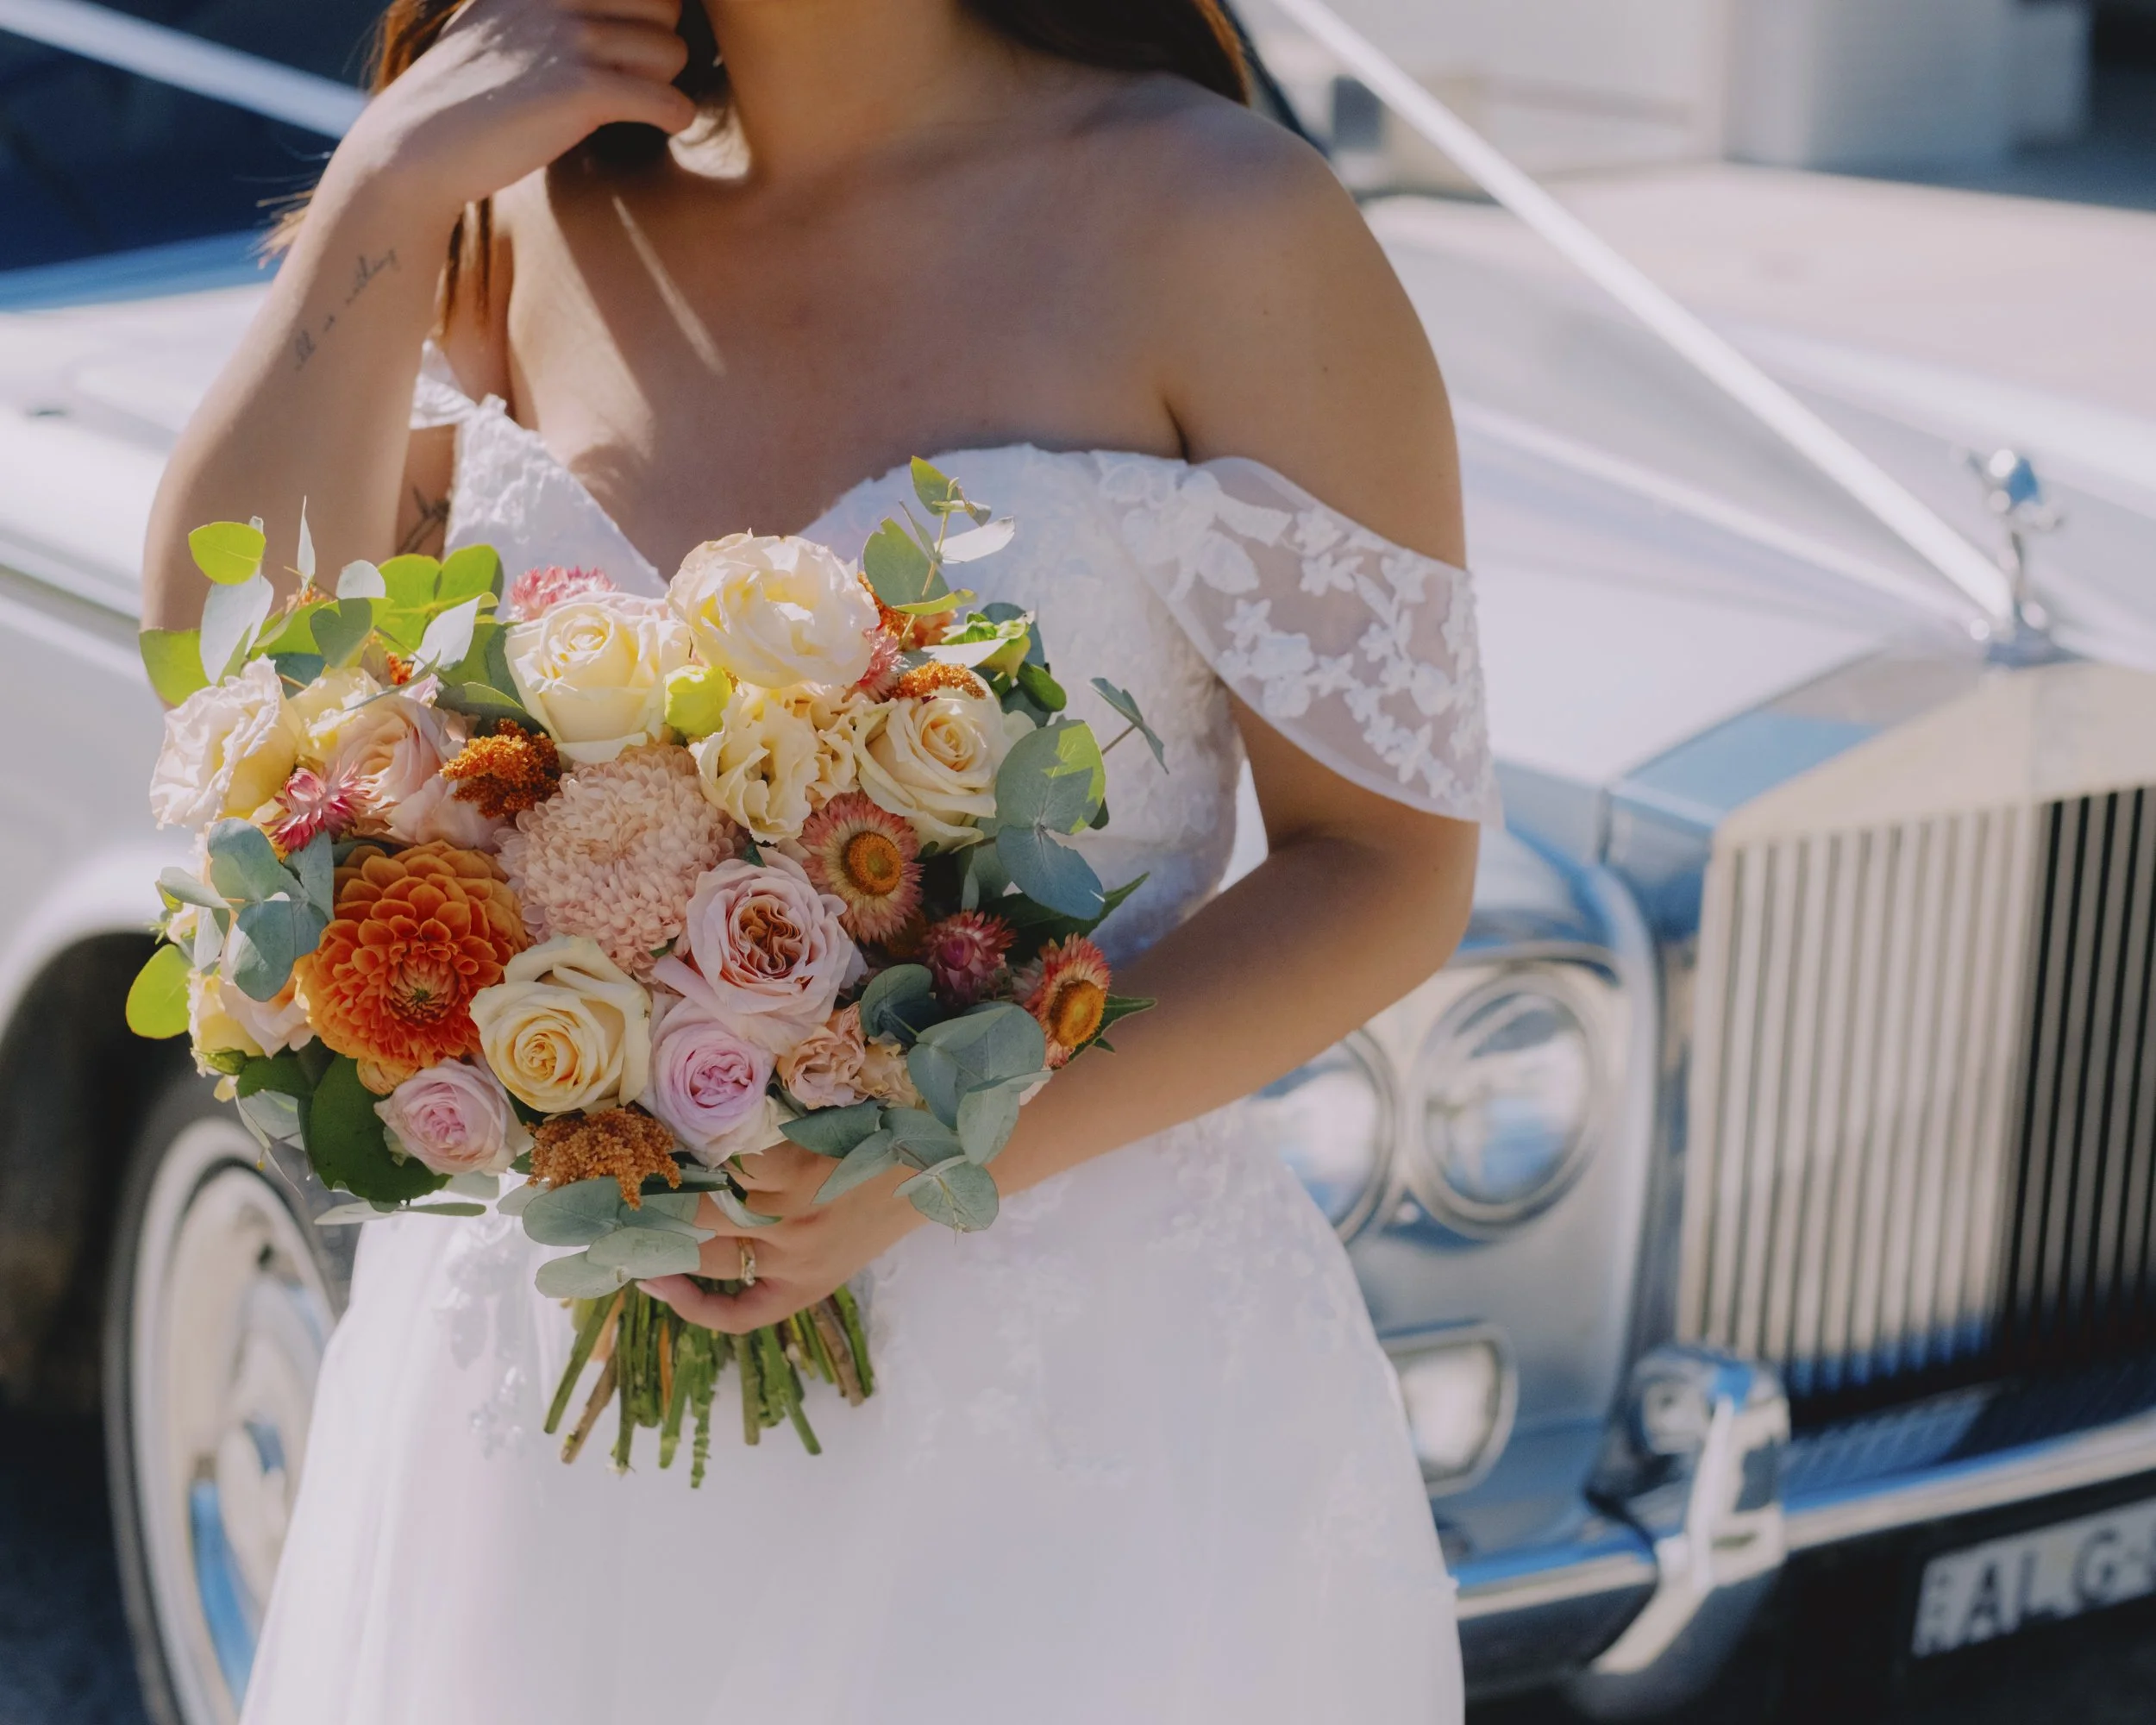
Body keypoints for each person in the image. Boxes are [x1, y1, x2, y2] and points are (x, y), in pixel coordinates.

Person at [144, 3, 1495, 1719]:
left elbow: (1383, 861)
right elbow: (225, 665)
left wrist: (959, 1141)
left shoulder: (1219, 219)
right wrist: (381, 194)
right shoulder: (511, 200)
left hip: (1078, 1434)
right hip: (544, 1442)